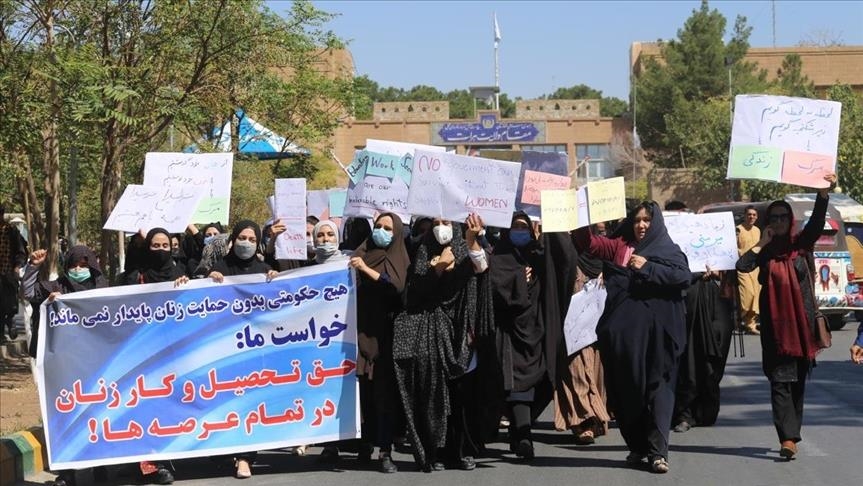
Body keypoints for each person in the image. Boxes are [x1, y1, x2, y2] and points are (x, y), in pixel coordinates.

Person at [573, 201, 690, 473]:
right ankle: (638, 446)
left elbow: (683, 277)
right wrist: (578, 214)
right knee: (627, 390)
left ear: (656, 223)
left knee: (659, 388)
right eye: (637, 220)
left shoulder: (668, 249)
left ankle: (658, 452)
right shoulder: (619, 246)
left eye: (647, 220)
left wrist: (648, 268)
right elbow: (589, 244)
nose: (641, 225)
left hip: (660, 335)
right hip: (625, 337)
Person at [736, 173, 836, 460]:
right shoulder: (766, 251)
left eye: (783, 217)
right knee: (780, 382)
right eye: (774, 217)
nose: (779, 221)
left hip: (802, 327)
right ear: (768, 222)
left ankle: (792, 433)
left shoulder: (801, 244)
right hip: (775, 329)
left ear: (790, 219)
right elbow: (742, 266)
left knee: (797, 383)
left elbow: (816, 222)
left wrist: (823, 195)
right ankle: (787, 438)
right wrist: (761, 243)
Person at [393, 215, 496, 472]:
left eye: (447, 223)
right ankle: (433, 452)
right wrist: (437, 268)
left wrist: (471, 240)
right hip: (430, 334)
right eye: (437, 223)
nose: (441, 228)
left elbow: (481, 267)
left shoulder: (466, 246)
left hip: (461, 333)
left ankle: (459, 451)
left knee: (461, 396)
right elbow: (414, 293)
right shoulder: (423, 250)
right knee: (433, 395)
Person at [177, 220, 277, 479]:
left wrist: (276, 281)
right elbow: (201, 303)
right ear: (233, 240)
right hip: (222, 352)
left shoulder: (264, 271)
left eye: (252, 240)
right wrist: (208, 281)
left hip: (253, 351)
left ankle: (245, 458)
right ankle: (223, 453)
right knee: (224, 404)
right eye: (242, 238)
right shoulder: (219, 268)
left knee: (249, 403)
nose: (247, 243)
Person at [22, 245, 109, 486]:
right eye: (74, 265)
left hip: (96, 366)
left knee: (97, 415)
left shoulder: (103, 289)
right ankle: (67, 471)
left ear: (92, 265)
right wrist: (33, 268)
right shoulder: (54, 288)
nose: (79, 269)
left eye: (84, 265)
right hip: (64, 367)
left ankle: (101, 466)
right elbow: (28, 293)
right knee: (66, 417)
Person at [349, 212, 411, 473]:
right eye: (378, 226)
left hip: (386, 337)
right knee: (362, 395)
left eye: (387, 228)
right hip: (359, 332)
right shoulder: (360, 253)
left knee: (384, 396)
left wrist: (365, 270)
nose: (381, 231)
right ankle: (364, 445)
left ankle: (385, 451)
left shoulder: (398, 257)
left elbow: (395, 287)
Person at [552, 247, 611, 445]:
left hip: (597, 322)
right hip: (571, 322)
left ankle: (595, 418)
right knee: (575, 370)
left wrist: (609, 272)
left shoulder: (601, 252)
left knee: (595, 370)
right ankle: (582, 421)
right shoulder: (563, 251)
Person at [672, 265, 735, 432]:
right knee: (689, 358)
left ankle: (706, 409)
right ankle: (684, 413)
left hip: (719, 300)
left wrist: (720, 273)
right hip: (689, 298)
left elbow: (737, 269)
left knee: (715, 355)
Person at [0, 204, 27, 341]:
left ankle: (10, 321)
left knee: (9, 303)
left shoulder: (11, 231)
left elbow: (21, 251)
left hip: (8, 273)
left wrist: (17, 266)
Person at [737, 205, 762, 335]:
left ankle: (750, 324)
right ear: (745, 216)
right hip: (742, 267)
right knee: (748, 295)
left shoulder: (757, 230)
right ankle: (739, 320)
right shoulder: (738, 230)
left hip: (755, 268)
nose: (751, 217)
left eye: (754, 215)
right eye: (749, 214)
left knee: (756, 297)